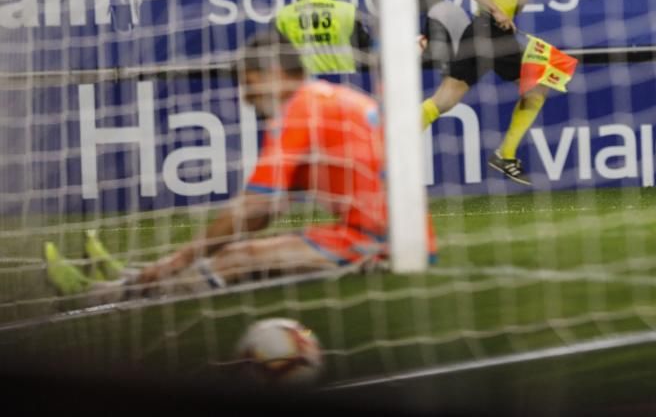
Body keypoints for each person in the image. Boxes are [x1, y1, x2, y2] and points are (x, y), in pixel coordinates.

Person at [44, 30, 437, 302]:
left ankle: (108, 293)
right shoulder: (325, 99)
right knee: (241, 251)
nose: (247, 99)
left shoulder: (303, 107)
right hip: (394, 235)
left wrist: (180, 258)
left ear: (275, 75)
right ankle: (132, 278)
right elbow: (264, 214)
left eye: (249, 84)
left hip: (381, 243)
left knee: (238, 259)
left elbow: (253, 208)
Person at [420, 0, 544, 186]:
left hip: (483, 33)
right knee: (537, 91)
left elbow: (515, 9)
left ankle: (389, 146)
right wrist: (496, 10)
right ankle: (506, 154)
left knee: (444, 100)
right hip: (490, 33)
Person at [273, 0, 373, 75]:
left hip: (304, 83)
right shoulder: (347, 10)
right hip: (344, 81)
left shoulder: (284, 15)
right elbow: (365, 53)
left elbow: (278, 55)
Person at [417, 0, 471, 74]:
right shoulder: (450, 7)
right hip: (466, 72)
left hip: (457, 75)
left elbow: (437, 57)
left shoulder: (435, 14)